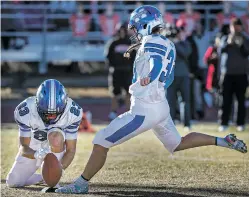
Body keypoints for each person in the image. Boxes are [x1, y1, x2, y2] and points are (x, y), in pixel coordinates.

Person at [55, 6, 247, 194]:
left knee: (101, 140)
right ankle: (223, 141)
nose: (135, 32)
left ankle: (81, 183)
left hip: (144, 110)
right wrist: (155, 79)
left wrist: (150, 77)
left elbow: (155, 62)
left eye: (136, 27)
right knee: (177, 143)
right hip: (160, 106)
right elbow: (169, 77)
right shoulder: (168, 43)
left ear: (145, 25)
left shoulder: (151, 42)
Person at [6, 79, 83, 188]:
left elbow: (71, 150)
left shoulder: (73, 112)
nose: (50, 117)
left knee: (55, 136)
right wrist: (36, 154)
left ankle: (51, 179)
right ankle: (42, 178)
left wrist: (57, 170)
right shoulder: (25, 110)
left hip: (56, 144)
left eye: (55, 114)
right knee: (13, 182)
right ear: (37, 103)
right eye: (46, 113)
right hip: (34, 144)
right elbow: (23, 147)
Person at [218, 18, 249, 132]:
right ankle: (223, 123)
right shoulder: (225, 38)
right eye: (233, 26)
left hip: (241, 74)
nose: (236, 28)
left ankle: (240, 123)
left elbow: (246, 53)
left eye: (238, 26)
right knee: (225, 100)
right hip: (227, 74)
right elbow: (220, 51)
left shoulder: (245, 38)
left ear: (241, 27)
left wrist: (240, 45)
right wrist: (228, 43)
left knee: (241, 101)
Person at [105, 23, 136, 120]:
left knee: (128, 93)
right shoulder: (113, 43)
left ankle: (128, 113)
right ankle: (113, 112)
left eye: (124, 30)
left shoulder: (130, 43)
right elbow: (108, 57)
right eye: (120, 31)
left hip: (127, 71)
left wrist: (131, 68)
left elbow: (134, 57)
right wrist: (113, 66)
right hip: (116, 72)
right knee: (115, 93)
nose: (122, 32)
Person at [166, 25, 192, 131]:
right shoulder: (166, 43)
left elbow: (186, 53)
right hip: (170, 76)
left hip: (183, 75)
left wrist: (176, 42)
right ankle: (170, 123)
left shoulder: (184, 44)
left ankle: (186, 123)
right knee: (170, 101)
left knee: (185, 100)